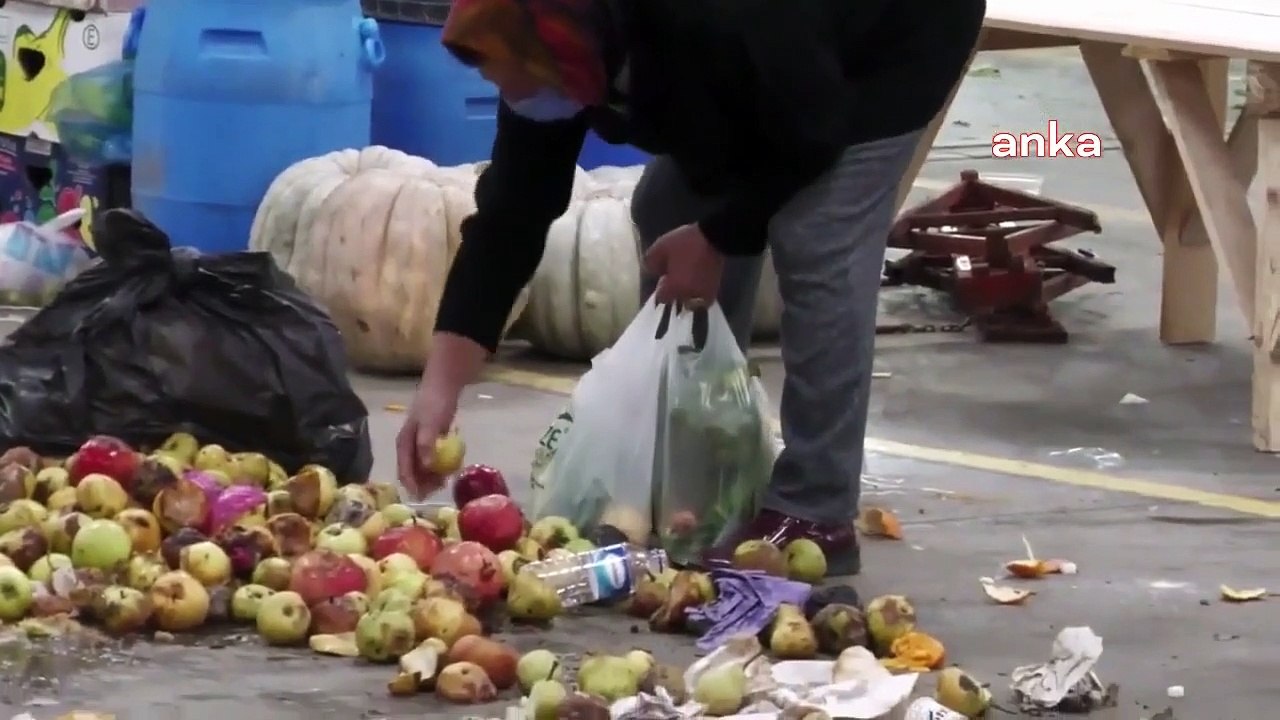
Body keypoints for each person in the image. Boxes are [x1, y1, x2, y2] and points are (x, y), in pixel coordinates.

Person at [397, 0, 986, 575]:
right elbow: (511, 215)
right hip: (769, 65)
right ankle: (703, 478)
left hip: (890, 37)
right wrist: (439, 388)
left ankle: (816, 509)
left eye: (515, 78)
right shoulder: (550, 37)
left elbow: (813, 131)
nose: (513, 94)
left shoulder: (712, 20)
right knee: (667, 209)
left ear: (564, 47)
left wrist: (719, 236)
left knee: (817, 234)